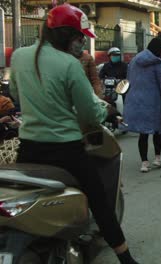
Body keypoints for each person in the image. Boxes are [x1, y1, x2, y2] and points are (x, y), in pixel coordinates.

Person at [8, 4, 138, 264]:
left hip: (29, 148)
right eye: (80, 38)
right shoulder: (69, 64)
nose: (82, 44)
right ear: (68, 36)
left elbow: (15, 94)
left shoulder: (19, 56)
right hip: (65, 151)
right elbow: (89, 114)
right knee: (99, 200)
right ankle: (125, 257)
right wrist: (107, 112)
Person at [124, 38, 161, 173]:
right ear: (159, 49)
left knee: (143, 133)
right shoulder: (158, 64)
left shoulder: (134, 61)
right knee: (157, 131)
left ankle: (144, 162)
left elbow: (128, 81)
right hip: (154, 103)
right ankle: (158, 158)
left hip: (137, 102)